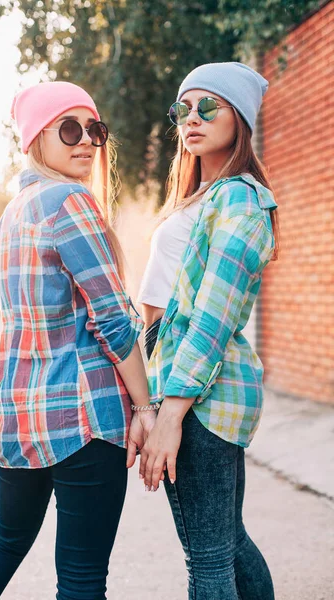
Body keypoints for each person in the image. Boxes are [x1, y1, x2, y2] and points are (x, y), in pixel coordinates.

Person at [0, 81, 157, 600]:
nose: (86, 141)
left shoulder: (10, 217)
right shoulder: (71, 201)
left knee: (4, 541)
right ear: (35, 138)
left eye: (95, 129)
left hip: (19, 416)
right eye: (70, 128)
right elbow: (112, 319)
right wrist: (147, 406)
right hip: (83, 421)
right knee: (82, 579)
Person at [137, 62, 279, 599]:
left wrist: (170, 410)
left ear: (238, 116)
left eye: (208, 106)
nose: (191, 118)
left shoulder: (242, 199)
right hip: (178, 380)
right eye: (183, 109)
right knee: (225, 544)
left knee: (209, 559)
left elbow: (214, 316)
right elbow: (158, 303)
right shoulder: (201, 196)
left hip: (201, 392)